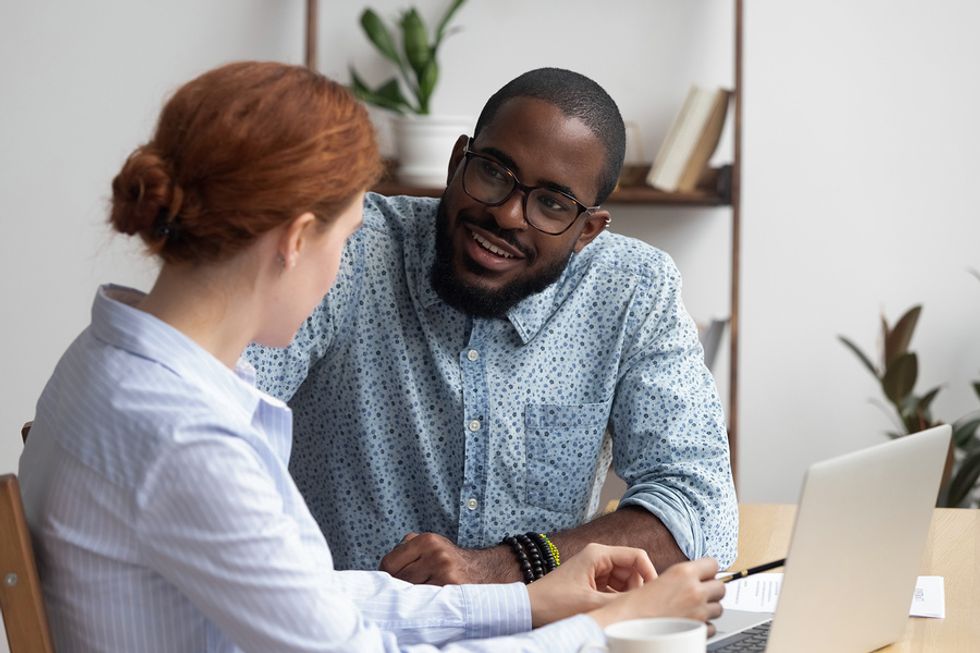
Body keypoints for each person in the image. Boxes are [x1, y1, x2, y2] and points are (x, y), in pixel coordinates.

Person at [18, 61, 725, 652]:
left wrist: (526, 597)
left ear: (588, 228)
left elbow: (320, 597)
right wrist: (605, 627)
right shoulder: (185, 435)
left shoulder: (107, 365)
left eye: (548, 203)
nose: (344, 268)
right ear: (299, 240)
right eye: (345, 238)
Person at [247, 67, 739, 583]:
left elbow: (701, 512)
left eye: (552, 204)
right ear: (458, 162)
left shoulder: (633, 290)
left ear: (587, 231)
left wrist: (507, 565)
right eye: (493, 173)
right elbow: (220, 410)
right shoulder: (352, 247)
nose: (508, 215)